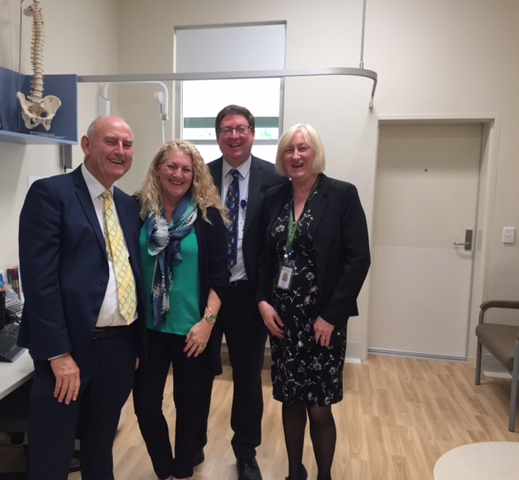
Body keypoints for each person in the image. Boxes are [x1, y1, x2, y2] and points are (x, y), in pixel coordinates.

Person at [17, 116, 146, 480]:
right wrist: (59, 355)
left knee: (100, 447)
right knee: (52, 455)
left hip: (119, 349)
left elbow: (129, 272)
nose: (120, 151)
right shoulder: (51, 194)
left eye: (127, 144)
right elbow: (39, 283)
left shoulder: (127, 205)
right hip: (70, 351)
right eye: (111, 142)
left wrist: (133, 344)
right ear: (87, 145)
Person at [256, 124, 371, 480]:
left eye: (303, 148)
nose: (296, 156)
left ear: (315, 152)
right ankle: (294, 471)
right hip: (283, 321)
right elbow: (264, 256)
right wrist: (262, 301)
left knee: (319, 407)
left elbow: (358, 259)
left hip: (323, 322)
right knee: (290, 399)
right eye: (289, 150)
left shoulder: (341, 195)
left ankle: (324, 475)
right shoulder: (275, 197)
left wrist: (331, 316)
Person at [133, 140, 230, 480]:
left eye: (186, 169)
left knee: (191, 408)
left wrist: (207, 323)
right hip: (149, 330)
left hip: (193, 330)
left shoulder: (209, 217)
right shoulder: (137, 211)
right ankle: (165, 469)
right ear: (158, 169)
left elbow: (221, 277)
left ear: (195, 175)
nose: (178, 174)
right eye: (171, 166)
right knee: (145, 405)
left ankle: (183, 471)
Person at [205, 105, 288, 480]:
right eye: (225, 129)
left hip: (248, 294)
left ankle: (246, 452)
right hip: (206, 293)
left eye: (240, 129)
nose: (233, 136)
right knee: (196, 372)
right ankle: (191, 444)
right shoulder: (200, 176)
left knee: (248, 376)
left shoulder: (274, 178)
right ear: (218, 135)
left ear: (253, 133)